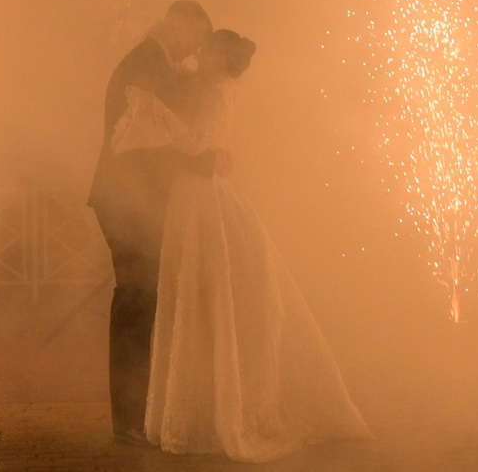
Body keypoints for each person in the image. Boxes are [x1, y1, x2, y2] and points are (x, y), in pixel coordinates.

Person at [115, 29, 368, 461]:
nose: (199, 51)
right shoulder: (209, 86)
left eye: (208, 49)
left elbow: (198, 143)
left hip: (200, 196)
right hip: (192, 192)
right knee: (194, 292)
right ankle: (201, 402)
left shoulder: (217, 93)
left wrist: (152, 111)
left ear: (221, 59)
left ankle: (209, 406)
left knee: (202, 292)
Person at [88, 0, 219, 447]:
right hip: (128, 201)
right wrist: (201, 160)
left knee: (142, 299)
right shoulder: (146, 63)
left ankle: (137, 411)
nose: (194, 51)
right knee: (137, 300)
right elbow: (153, 137)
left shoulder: (151, 62)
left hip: (134, 200)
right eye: (195, 39)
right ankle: (129, 416)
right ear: (178, 26)